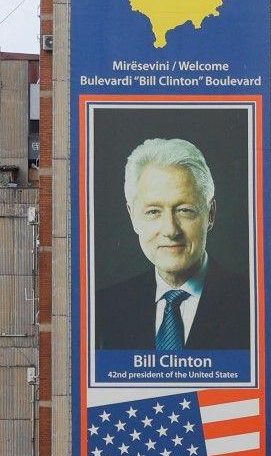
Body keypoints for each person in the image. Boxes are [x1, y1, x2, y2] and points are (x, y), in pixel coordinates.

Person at [95, 137, 251, 354]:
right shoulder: (102, 309)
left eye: (184, 210)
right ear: (133, 217)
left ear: (211, 214)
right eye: (153, 212)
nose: (170, 230)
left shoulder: (252, 304)